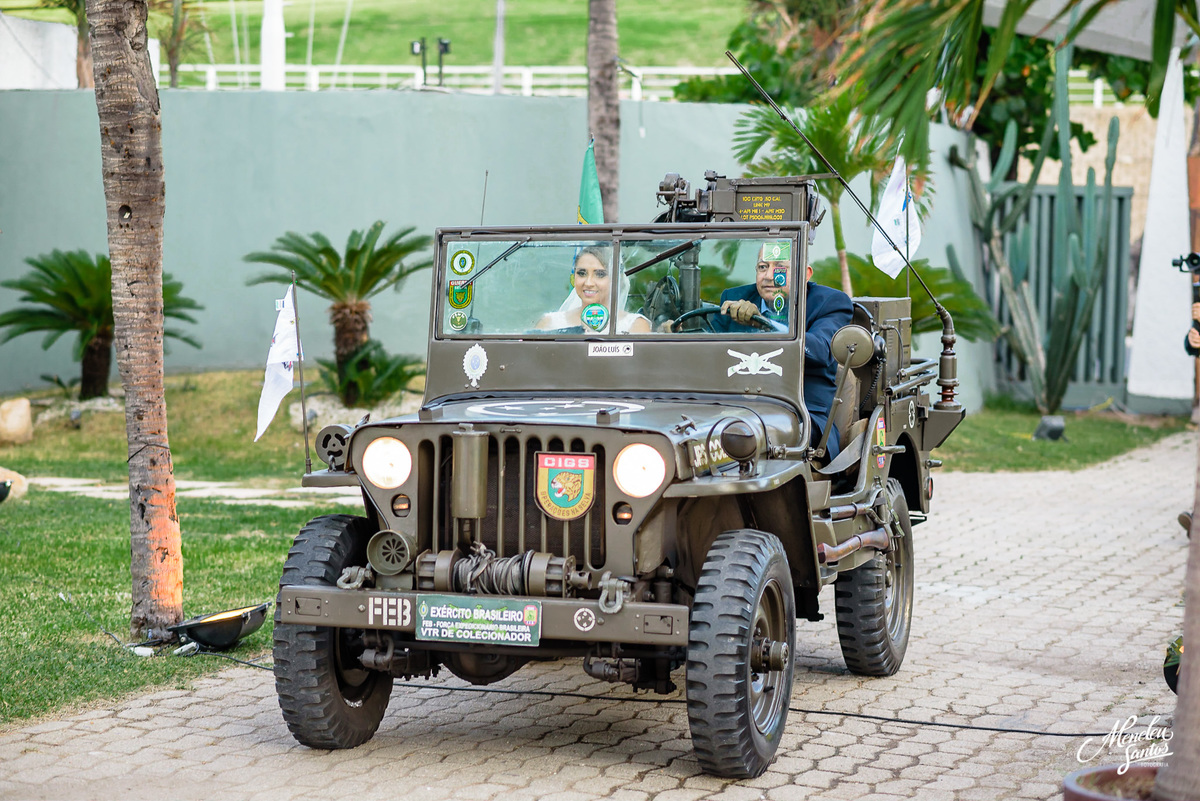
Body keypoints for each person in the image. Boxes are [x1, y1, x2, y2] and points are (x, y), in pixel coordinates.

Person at [711, 246, 853, 459]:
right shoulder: (734, 297)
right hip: (731, 408)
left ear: (805, 274)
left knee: (753, 435)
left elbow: (820, 350)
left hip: (801, 415)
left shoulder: (830, 302)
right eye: (762, 267)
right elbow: (710, 349)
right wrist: (678, 334)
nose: (769, 276)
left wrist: (765, 324)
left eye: (779, 268)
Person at [536, 246, 651, 334]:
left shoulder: (635, 325)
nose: (589, 283)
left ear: (616, 279)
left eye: (600, 274)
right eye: (582, 273)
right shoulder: (549, 322)